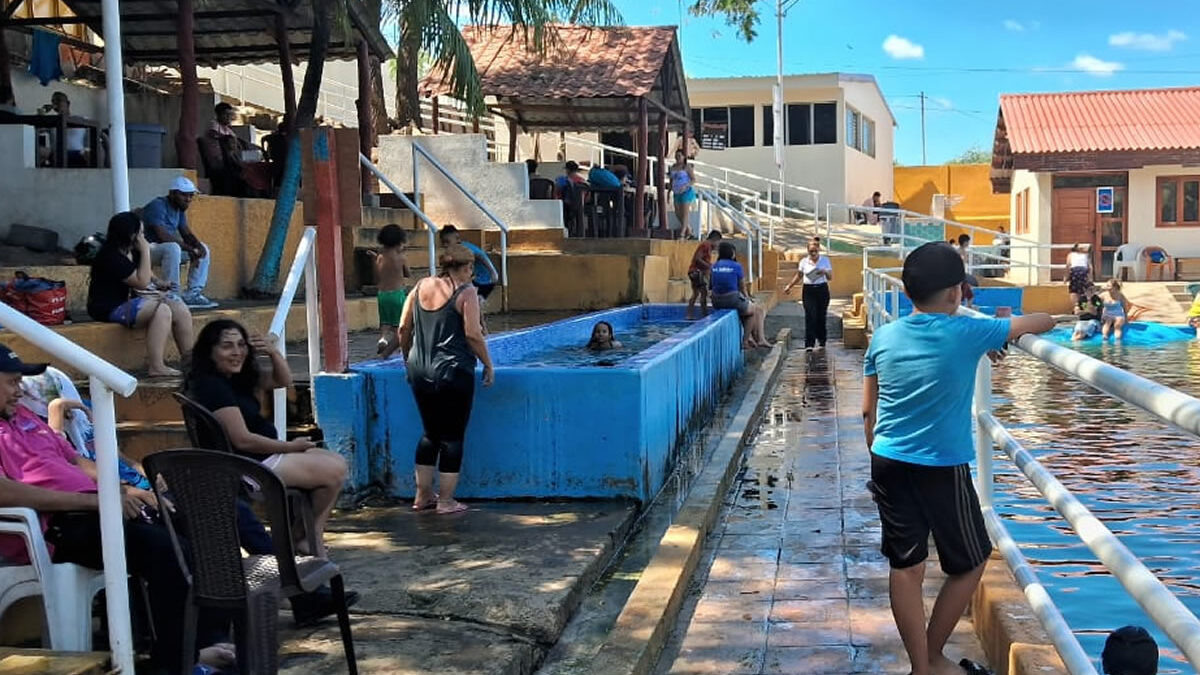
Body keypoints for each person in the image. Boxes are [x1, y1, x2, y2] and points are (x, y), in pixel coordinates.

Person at [862, 241, 1054, 675]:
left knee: (905, 565)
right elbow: (1046, 320)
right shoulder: (969, 332)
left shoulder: (884, 335)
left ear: (908, 292)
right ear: (956, 294)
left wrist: (874, 458)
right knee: (970, 560)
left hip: (887, 459)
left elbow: (866, 410)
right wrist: (1004, 323)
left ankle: (921, 665)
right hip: (940, 465)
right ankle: (929, 659)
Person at [0, 346, 236, 672]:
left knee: (201, 519)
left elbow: (76, 461)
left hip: (94, 508)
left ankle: (203, 644)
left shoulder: (24, 415)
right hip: (53, 527)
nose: (20, 390)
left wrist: (124, 489)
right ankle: (174, 664)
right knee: (165, 550)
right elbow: (5, 492)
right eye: (12, 382)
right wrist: (100, 501)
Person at [185, 319, 349, 551]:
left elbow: (283, 380)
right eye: (227, 346)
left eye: (241, 345)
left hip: (260, 456)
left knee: (337, 462)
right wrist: (291, 447)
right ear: (209, 351)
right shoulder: (213, 387)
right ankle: (304, 538)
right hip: (245, 465)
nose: (237, 352)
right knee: (334, 472)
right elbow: (242, 439)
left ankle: (307, 537)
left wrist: (272, 352)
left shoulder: (235, 379)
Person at [397, 245, 495, 515]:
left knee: (430, 433)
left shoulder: (420, 287)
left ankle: (422, 495)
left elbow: (403, 327)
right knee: (452, 437)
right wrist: (488, 364)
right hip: (453, 372)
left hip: (420, 369)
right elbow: (473, 334)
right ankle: (446, 501)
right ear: (469, 268)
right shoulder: (467, 292)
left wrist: (408, 361)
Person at [86, 211, 194, 378]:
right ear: (131, 235)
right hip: (108, 307)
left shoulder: (130, 251)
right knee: (162, 310)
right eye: (141, 234)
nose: (143, 238)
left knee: (179, 308)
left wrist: (158, 281)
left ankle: (191, 364)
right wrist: (145, 250)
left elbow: (144, 272)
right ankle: (157, 366)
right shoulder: (110, 256)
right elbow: (141, 281)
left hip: (127, 303)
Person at [141, 176, 218, 309]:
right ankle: (172, 294)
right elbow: (162, 236)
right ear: (172, 194)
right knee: (173, 247)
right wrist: (189, 249)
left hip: (165, 250)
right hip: (146, 250)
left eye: (190, 196)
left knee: (204, 249)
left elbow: (186, 233)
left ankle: (192, 294)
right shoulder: (158, 205)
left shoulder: (179, 210)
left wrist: (197, 245)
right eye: (184, 195)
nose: (188, 199)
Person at [710, 241, 768, 349]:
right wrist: (747, 298)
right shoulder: (736, 266)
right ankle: (746, 340)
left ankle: (754, 338)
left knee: (745, 308)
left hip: (716, 300)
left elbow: (711, 285)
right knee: (753, 311)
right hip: (731, 298)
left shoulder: (714, 266)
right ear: (732, 253)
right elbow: (742, 287)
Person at [369, 224, 411, 358]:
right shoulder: (401, 258)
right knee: (401, 325)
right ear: (399, 241)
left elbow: (376, 277)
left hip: (382, 294)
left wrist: (374, 259)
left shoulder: (380, 258)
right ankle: (397, 350)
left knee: (385, 323)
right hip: (397, 294)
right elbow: (407, 274)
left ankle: (383, 339)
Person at [784, 237, 834, 350]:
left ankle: (822, 340)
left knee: (821, 316)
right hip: (809, 290)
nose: (813, 253)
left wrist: (825, 271)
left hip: (822, 289)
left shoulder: (825, 260)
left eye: (815, 251)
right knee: (810, 315)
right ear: (808, 251)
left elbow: (830, 277)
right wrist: (789, 286)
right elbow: (799, 275)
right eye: (811, 251)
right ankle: (809, 343)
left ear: (818, 251)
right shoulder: (803, 262)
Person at [439, 225, 500, 304]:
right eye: (456, 239)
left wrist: (493, 272)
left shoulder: (463, 247)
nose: (459, 241)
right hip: (477, 278)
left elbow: (480, 256)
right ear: (445, 244)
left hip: (485, 279)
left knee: (473, 299)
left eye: (458, 238)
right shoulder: (455, 250)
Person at [49, 92, 90, 167]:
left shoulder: (80, 119)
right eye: (53, 101)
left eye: (59, 100)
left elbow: (94, 135)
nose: (56, 104)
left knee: (90, 153)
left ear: (68, 103)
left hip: (79, 152)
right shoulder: (51, 122)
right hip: (58, 153)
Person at [687, 231, 722, 319]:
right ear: (715, 239)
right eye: (718, 242)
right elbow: (697, 258)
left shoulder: (707, 246)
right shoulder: (706, 245)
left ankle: (690, 314)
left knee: (696, 293)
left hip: (694, 272)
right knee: (703, 293)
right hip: (697, 272)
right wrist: (709, 266)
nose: (718, 245)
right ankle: (704, 314)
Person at [669, 150, 697, 240]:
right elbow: (671, 180)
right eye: (676, 156)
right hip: (676, 191)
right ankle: (689, 229)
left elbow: (693, 179)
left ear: (684, 157)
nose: (678, 157)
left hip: (686, 192)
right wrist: (669, 191)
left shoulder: (687, 167)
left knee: (685, 213)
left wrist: (686, 186)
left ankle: (682, 233)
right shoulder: (673, 167)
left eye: (680, 156)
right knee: (678, 212)